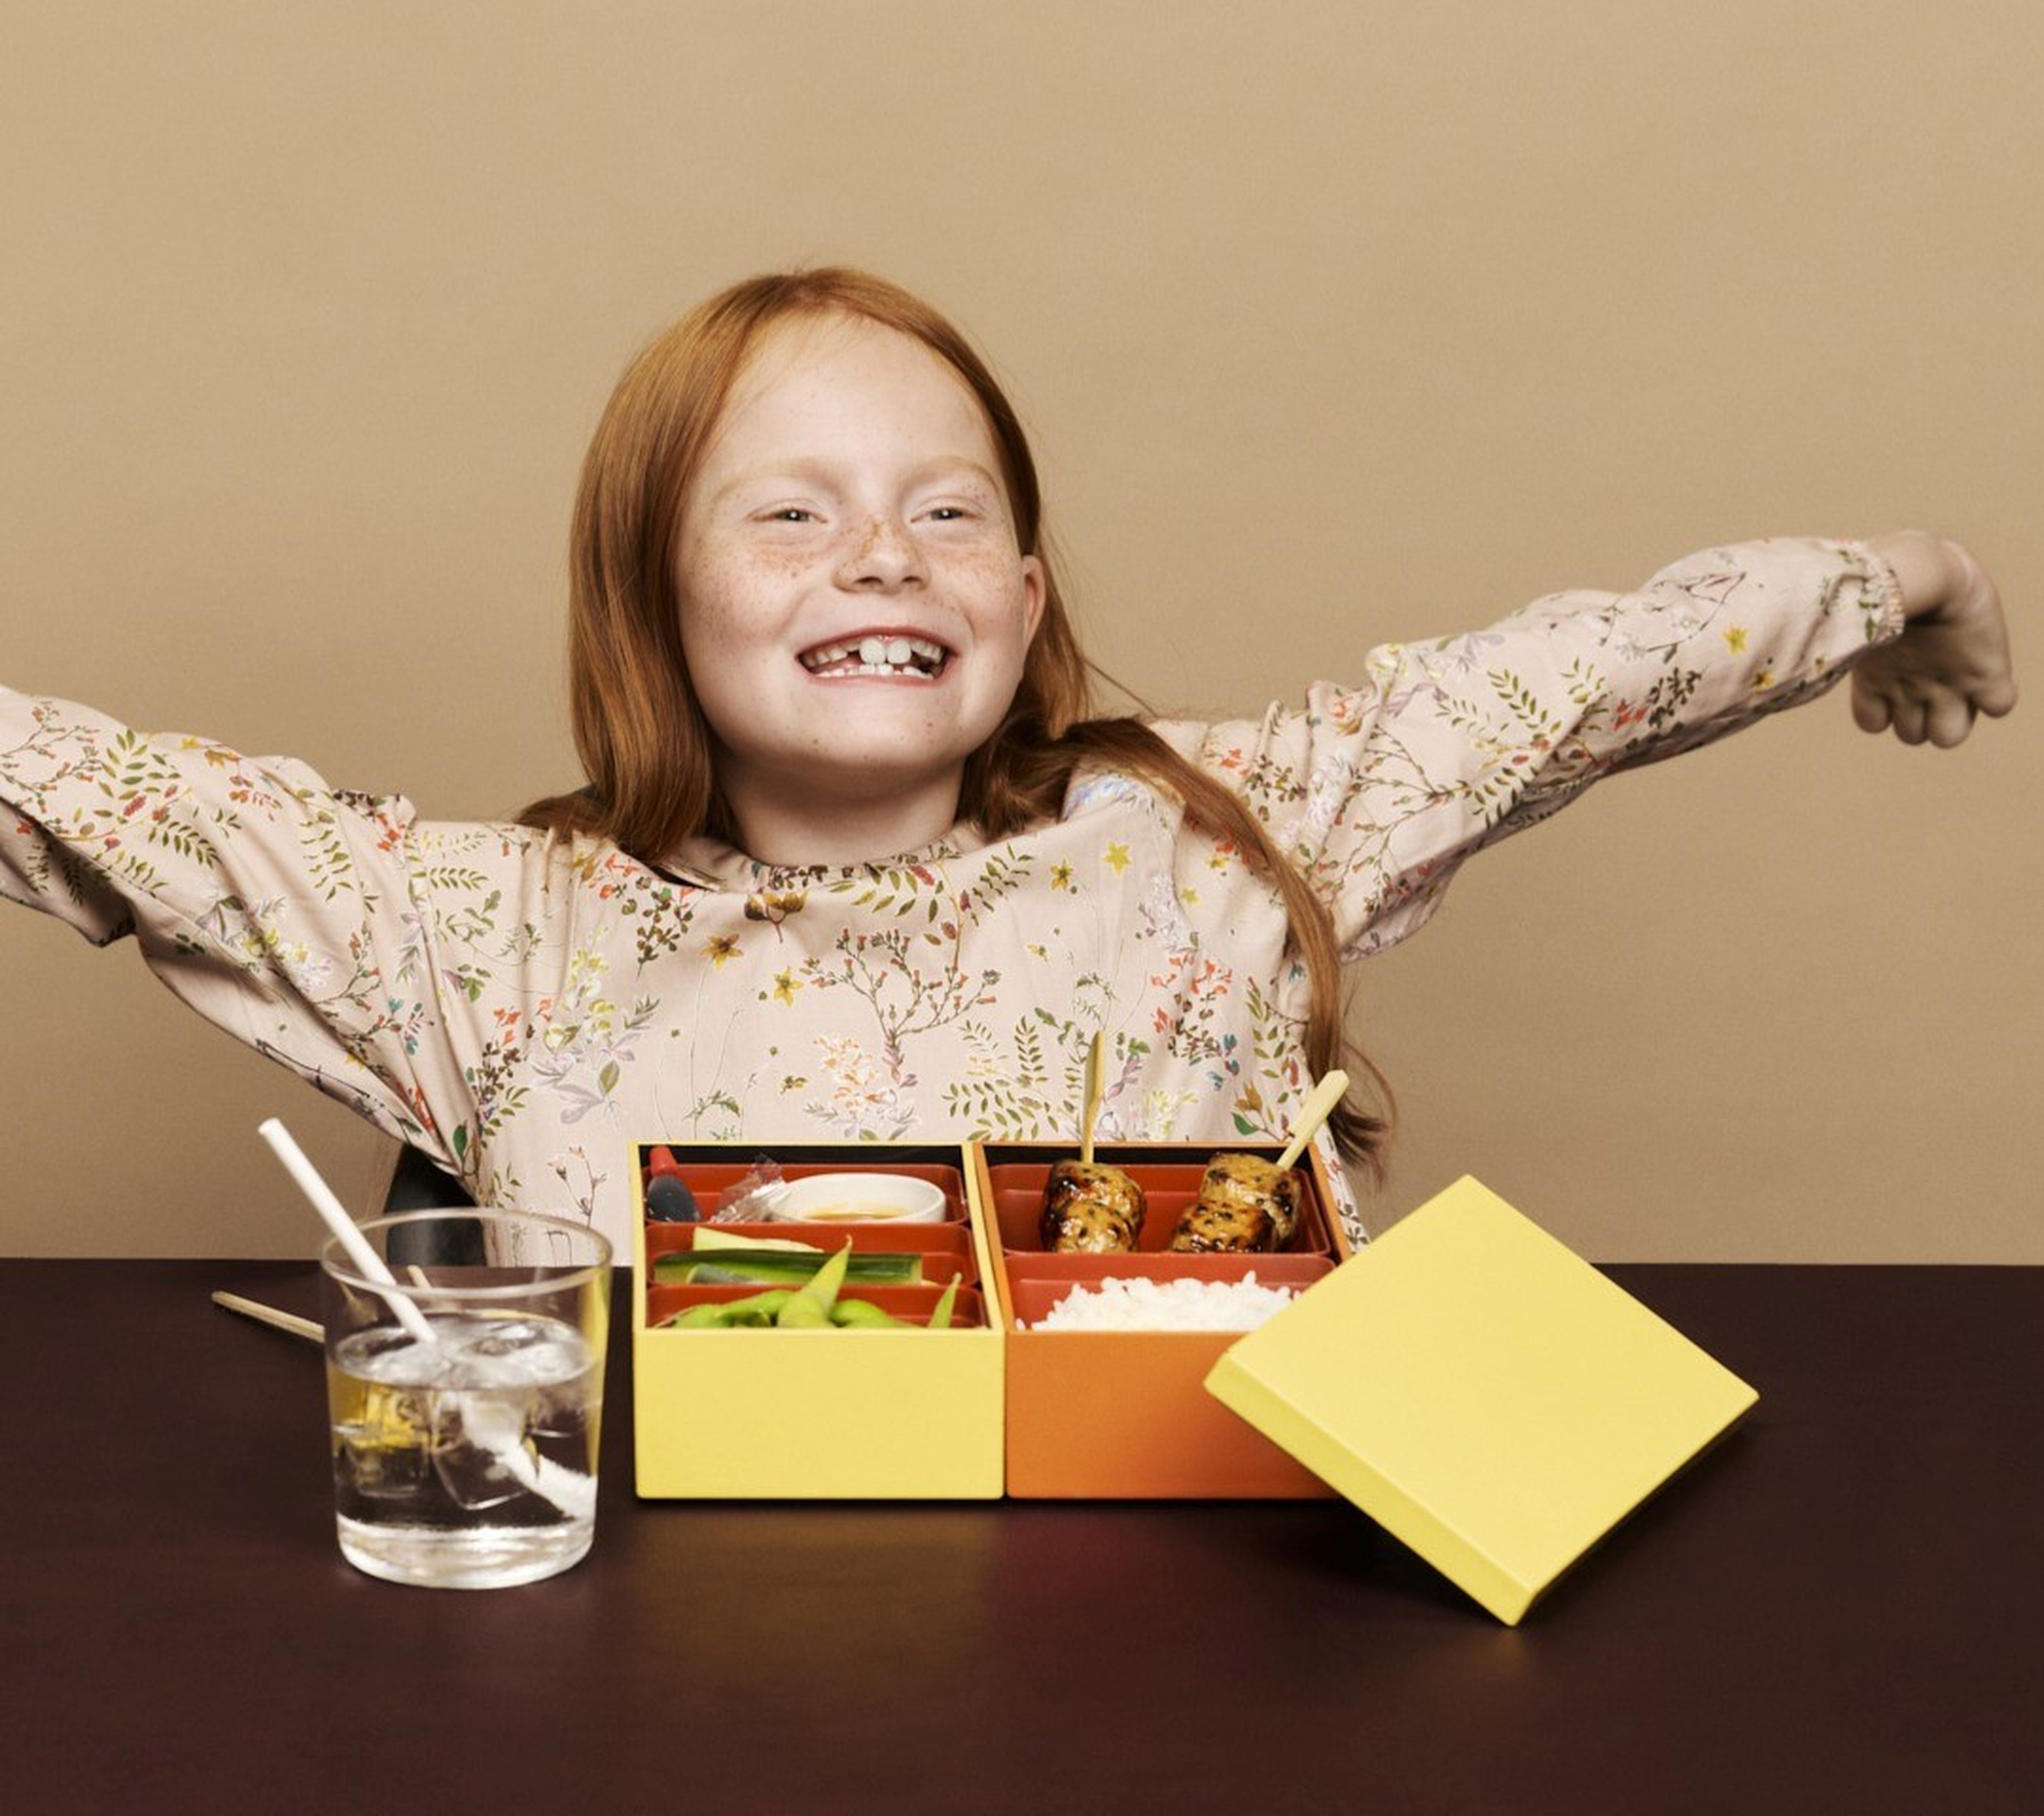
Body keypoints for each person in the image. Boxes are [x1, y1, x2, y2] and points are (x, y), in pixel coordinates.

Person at [0, 269, 2016, 1254]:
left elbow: (1592, 668)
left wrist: (1904, 575)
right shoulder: (480, 931)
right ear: (654, 602)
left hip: (1214, 1687)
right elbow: (80, 787)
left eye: (945, 513)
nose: (882, 551)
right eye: (786, 515)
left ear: (1029, 596)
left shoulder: (1228, 833)